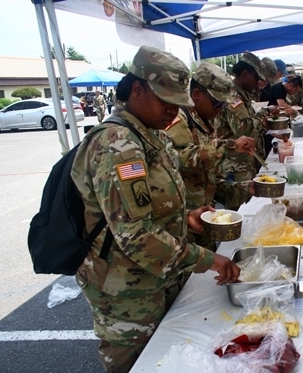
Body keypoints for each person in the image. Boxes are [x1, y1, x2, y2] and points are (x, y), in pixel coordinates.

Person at [71, 46, 240, 373]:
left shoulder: (148, 135)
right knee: (141, 364)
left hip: (155, 279)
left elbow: (149, 206)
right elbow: (134, 235)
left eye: (177, 103)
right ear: (137, 90)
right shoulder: (118, 145)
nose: (172, 111)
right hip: (127, 296)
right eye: (166, 101)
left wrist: (185, 218)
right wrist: (206, 259)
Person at [163, 61, 256, 250]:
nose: (220, 108)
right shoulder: (179, 121)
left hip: (204, 220)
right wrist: (230, 146)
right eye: (217, 102)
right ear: (196, 95)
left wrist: (246, 189)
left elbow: (211, 178)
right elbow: (181, 159)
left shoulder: (206, 123)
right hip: (182, 227)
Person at [214, 51, 279, 209]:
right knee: (241, 213)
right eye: (256, 78)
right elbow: (246, 129)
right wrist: (266, 111)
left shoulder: (244, 96)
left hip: (246, 165)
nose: (258, 83)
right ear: (244, 74)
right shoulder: (233, 97)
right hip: (236, 169)